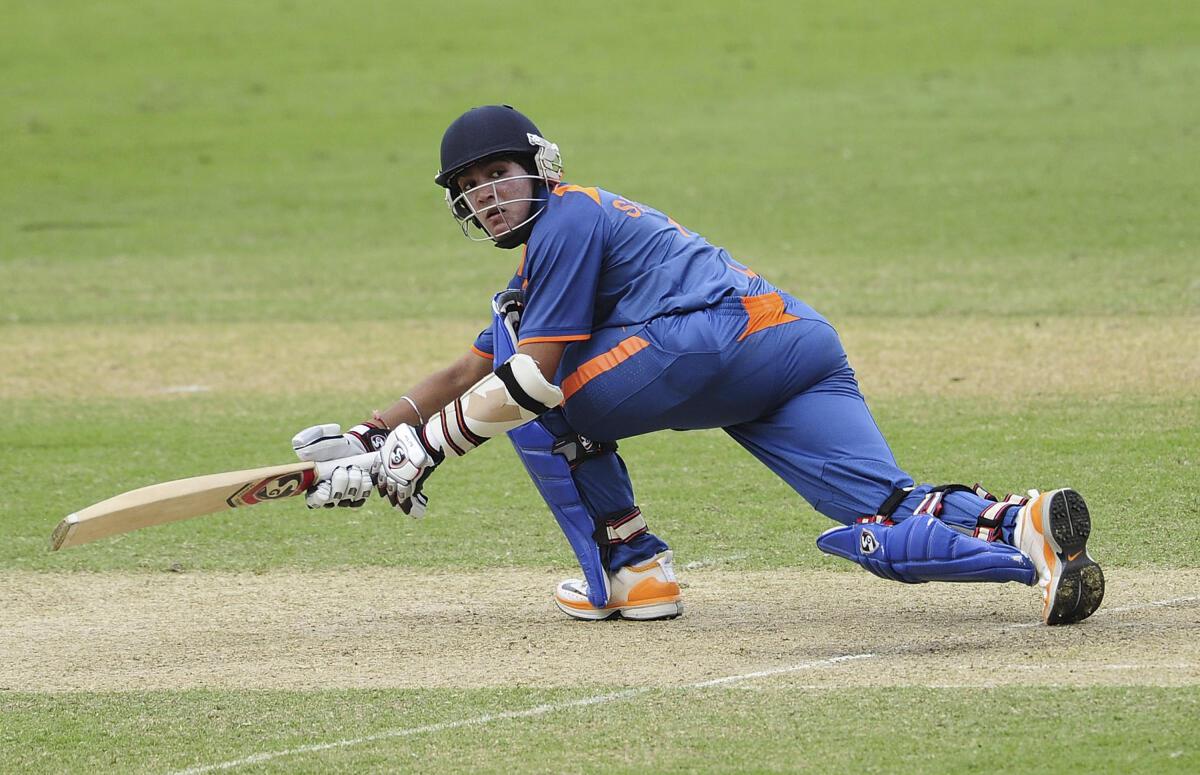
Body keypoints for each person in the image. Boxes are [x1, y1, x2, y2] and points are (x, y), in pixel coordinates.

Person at [291, 105, 1104, 626]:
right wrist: (371, 433)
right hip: (792, 342)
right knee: (885, 514)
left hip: (706, 339)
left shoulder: (567, 219)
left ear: (541, 166)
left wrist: (421, 451)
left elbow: (530, 378)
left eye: (497, 176)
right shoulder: (555, 253)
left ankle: (630, 568)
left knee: (534, 390)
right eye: (470, 189)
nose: (488, 197)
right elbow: (464, 369)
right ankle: (1025, 535)